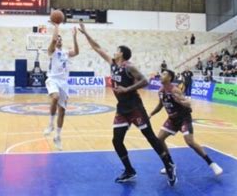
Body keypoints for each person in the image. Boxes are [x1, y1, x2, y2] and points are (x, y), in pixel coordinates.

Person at [78, 23, 177, 186]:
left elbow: (145, 81)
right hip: (122, 108)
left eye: (117, 50)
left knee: (150, 138)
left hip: (135, 107)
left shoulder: (129, 67)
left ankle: (169, 165)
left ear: (122, 54)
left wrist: (127, 89)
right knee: (116, 141)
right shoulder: (112, 63)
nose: (114, 52)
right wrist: (86, 33)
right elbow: (97, 47)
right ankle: (129, 170)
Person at [149, 70, 223, 176]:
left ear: (170, 78)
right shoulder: (161, 91)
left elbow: (187, 103)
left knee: (190, 142)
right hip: (172, 119)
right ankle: (170, 164)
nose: (161, 76)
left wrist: (182, 102)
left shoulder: (175, 90)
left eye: (164, 74)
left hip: (184, 118)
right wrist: (151, 114)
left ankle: (211, 163)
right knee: (159, 139)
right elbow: (161, 105)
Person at [43, 24, 79, 150]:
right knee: (55, 97)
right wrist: (57, 25)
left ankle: (57, 136)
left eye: (60, 38)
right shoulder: (52, 51)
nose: (58, 39)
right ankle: (50, 124)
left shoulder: (65, 52)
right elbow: (53, 40)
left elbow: (77, 52)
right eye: (56, 38)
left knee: (62, 111)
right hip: (52, 79)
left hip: (64, 82)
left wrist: (75, 37)